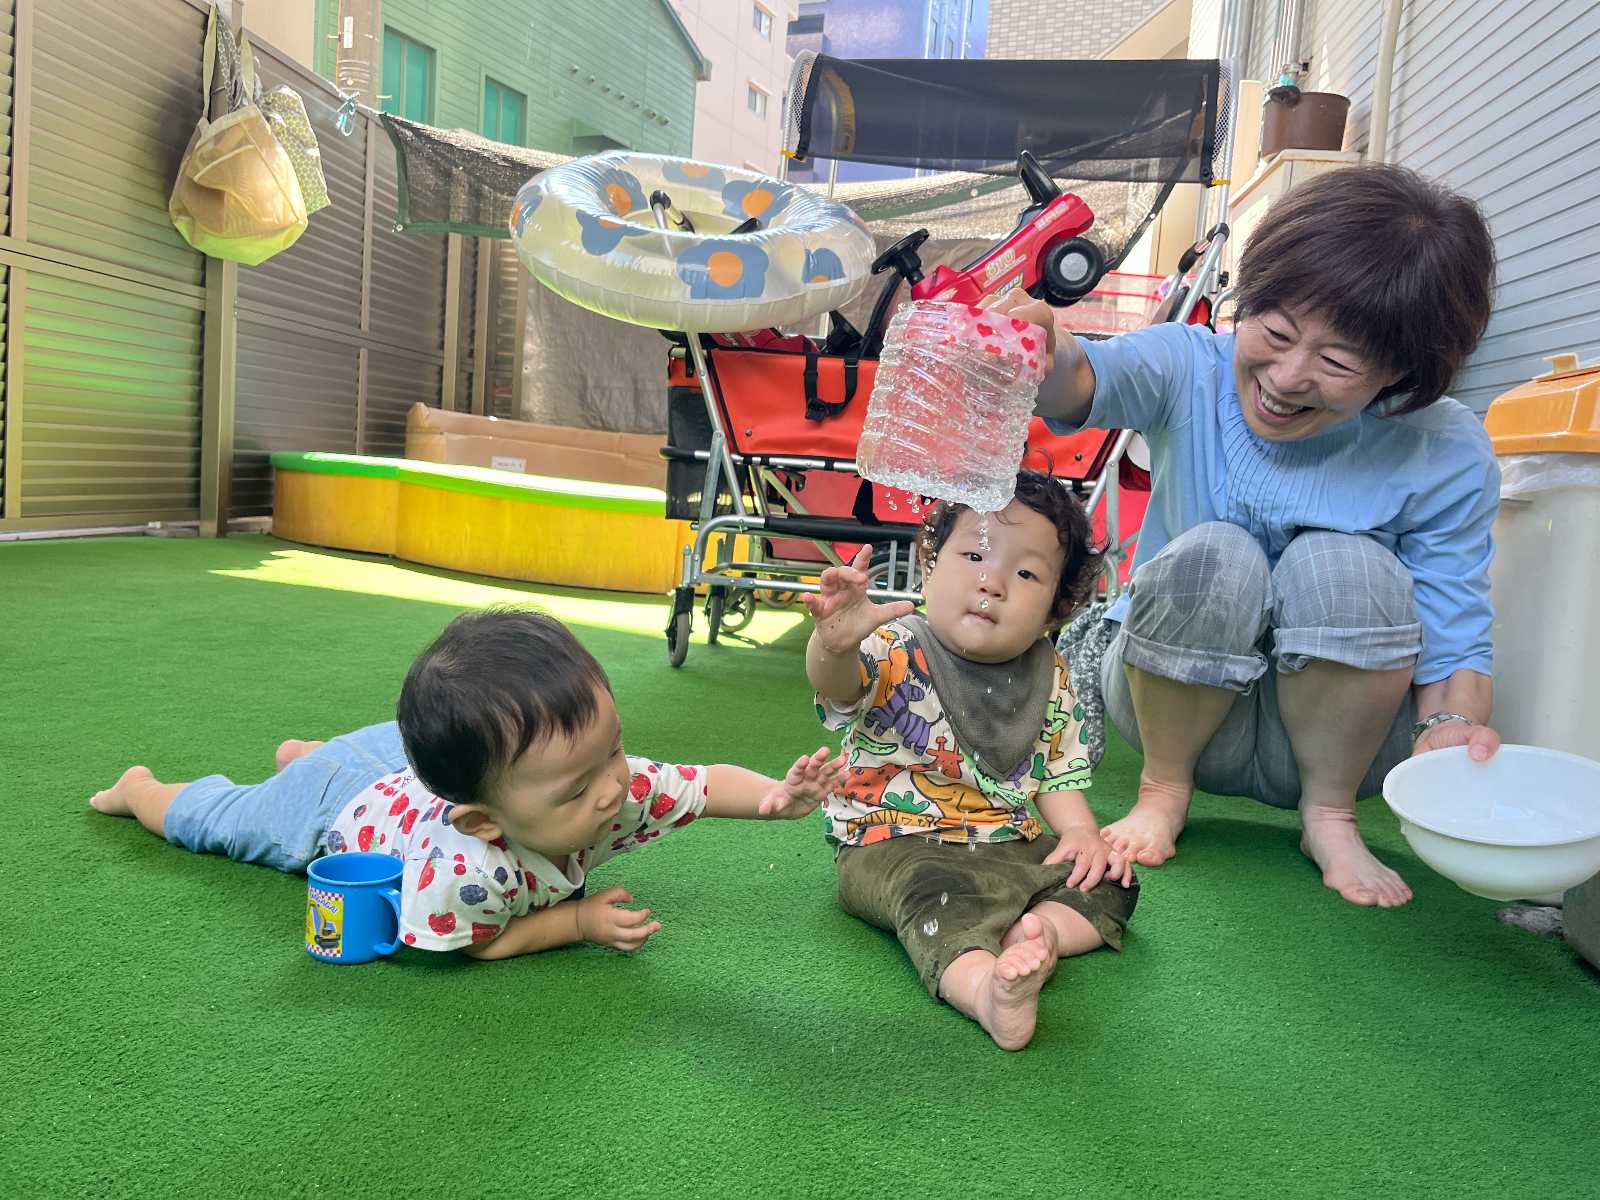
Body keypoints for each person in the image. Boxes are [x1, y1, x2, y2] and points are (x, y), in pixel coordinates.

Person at [996, 162, 1502, 908]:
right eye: (1276, 331)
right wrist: (1044, 350)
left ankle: (1329, 818)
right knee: (1218, 552)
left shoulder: (1446, 448)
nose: (1287, 377)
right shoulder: (1188, 366)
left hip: (1349, 739)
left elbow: (1455, 626)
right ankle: (1163, 791)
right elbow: (1082, 377)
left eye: (1337, 361)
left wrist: (1451, 728)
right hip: (1173, 709)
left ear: (1401, 373)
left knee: (1343, 562)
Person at [89, 608, 843, 959]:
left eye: (614, 751)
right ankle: (143, 789)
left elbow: (705, 784)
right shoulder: (471, 874)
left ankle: (310, 754)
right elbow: (481, 945)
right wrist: (577, 924)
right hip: (336, 807)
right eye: (578, 789)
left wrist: (775, 799)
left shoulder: (605, 783)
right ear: (486, 821)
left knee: (350, 758)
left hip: (394, 761)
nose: (614, 790)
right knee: (221, 821)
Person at [804, 470, 1137, 1050]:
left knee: (1113, 879)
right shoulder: (896, 643)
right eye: (975, 555)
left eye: (1026, 573)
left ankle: (1039, 933)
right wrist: (833, 645)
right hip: (893, 844)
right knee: (936, 898)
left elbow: (1055, 775)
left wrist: (1083, 835)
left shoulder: (1048, 674)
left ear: (1055, 610)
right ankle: (984, 988)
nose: (993, 582)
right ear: (930, 567)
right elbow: (840, 686)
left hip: (1006, 842)